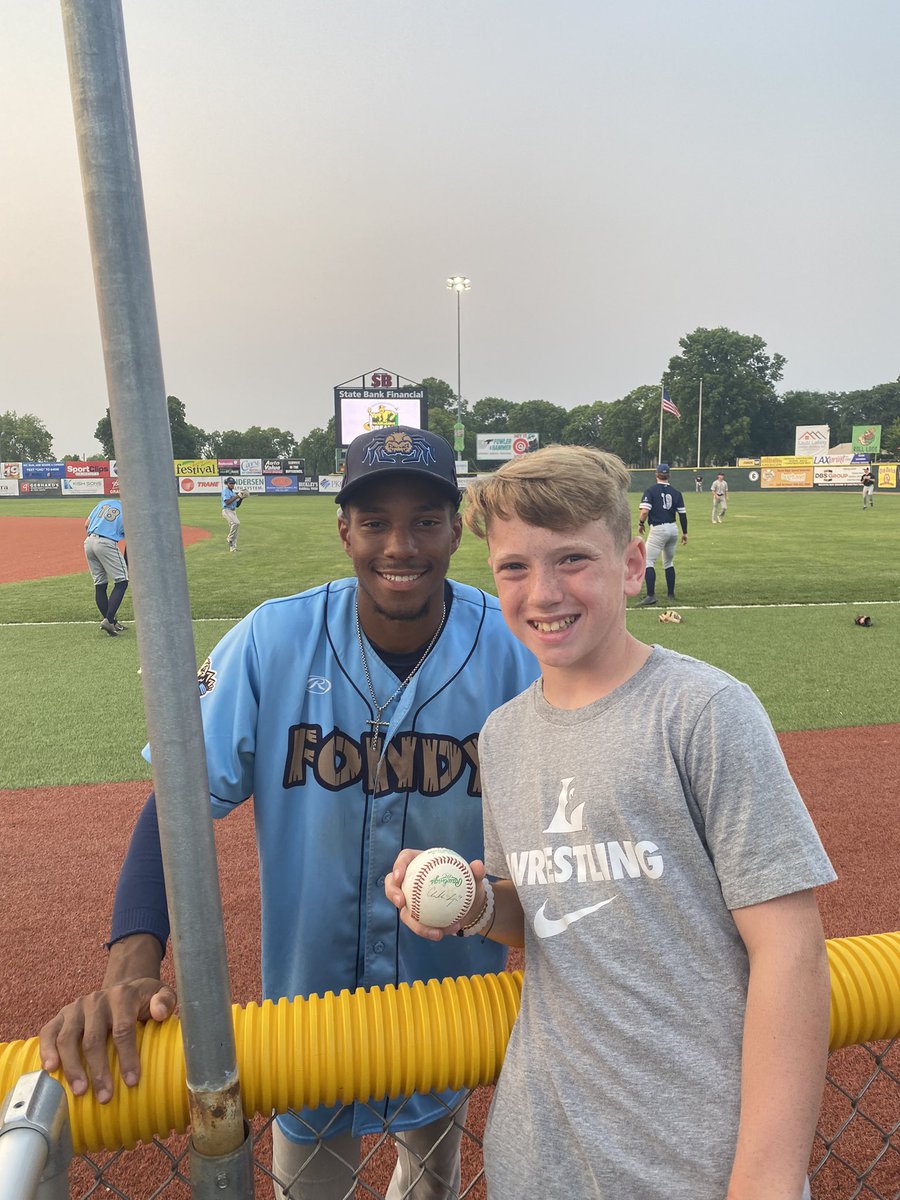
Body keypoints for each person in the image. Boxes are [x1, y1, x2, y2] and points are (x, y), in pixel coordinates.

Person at [40, 426, 539, 1200]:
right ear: (344, 530)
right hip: (308, 1016)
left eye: (425, 521)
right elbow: (176, 806)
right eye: (375, 522)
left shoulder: (514, 650)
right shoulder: (275, 638)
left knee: (433, 1182)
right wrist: (132, 965)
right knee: (307, 1188)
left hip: (455, 1008)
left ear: (456, 528)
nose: (399, 545)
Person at [387, 444, 835, 1200]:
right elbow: (545, 913)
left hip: (695, 1157)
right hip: (541, 1153)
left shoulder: (702, 712)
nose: (544, 591)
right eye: (515, 569)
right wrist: (477, 904)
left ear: (631, 565)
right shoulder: (502, 736)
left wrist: (766, 1179)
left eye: (572, 560)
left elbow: (791, 951)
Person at [635, 462, 687, 606]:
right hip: (673, 529)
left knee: (647, 561)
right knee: (668, 562)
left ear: (656, 474)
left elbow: (645, 511)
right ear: (669, 475)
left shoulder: (651, 491)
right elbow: (682, 514)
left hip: (659, 529)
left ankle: (651, 595)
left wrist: (640, 524)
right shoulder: (676, 492)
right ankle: (670, 594)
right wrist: (685, 533)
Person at [83, 496, 129, 636]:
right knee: (122, 582)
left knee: (100, 584)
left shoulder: (104, 502)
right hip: (106, 543)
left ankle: (112, 622)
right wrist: (127, 562)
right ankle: (109, 620)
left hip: (89, 542)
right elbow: (131, 538)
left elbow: (86, 524)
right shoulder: (129, 511)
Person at [221, 475, 241, 551]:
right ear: (227, 484)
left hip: (233, 511)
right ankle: (229, 538)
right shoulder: (225, 491)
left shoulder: (232, 492)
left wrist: (241, 498)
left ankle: (233, 548)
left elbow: (237, 505)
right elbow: (227, 502)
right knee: (236, 523)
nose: (232, 485)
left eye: (233, 483)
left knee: (235, 530)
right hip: (227, 510)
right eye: (231, 483)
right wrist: (237, 496)